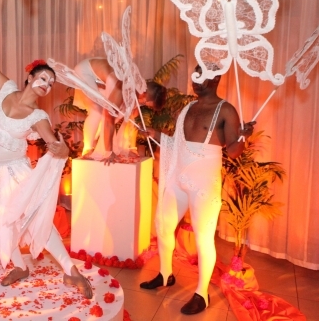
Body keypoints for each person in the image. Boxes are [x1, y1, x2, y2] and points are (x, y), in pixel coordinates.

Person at [0, 15, 92, 298]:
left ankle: (71, 270)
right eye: (43, 78)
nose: (47, 84)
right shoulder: (6, 88)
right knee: (1, 221)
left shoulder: (38, 116)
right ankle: (20, 266)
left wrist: (62, 149)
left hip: (14, 172)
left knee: (35, 219)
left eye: (51, 83)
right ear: (30, 77)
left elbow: (56, 145)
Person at [139, 65, 255, 315]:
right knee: (163, 225)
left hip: (204, 183)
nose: (195, 80)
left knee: (204, 237)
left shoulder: (226, 109)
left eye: (201, 75)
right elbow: (178, 142)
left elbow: (233, 152)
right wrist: (157, 133)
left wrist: (244, 136)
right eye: (194, 74)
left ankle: (202, 294)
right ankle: (165, 274)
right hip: (178, 176)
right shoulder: (188, 107)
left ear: (216, 79)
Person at [73, 58, 166, 164]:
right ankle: (87, 149)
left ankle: (98, 144)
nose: (143, 105)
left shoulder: (138, 91)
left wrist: (131, 148)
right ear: (144, 94)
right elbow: (109, 119)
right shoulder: (122, 87)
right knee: (97, 111)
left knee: (114, 114)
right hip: (86, 72)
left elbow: (130, 120)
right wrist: (108, 152)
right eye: (145, 103)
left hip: (102, 79)